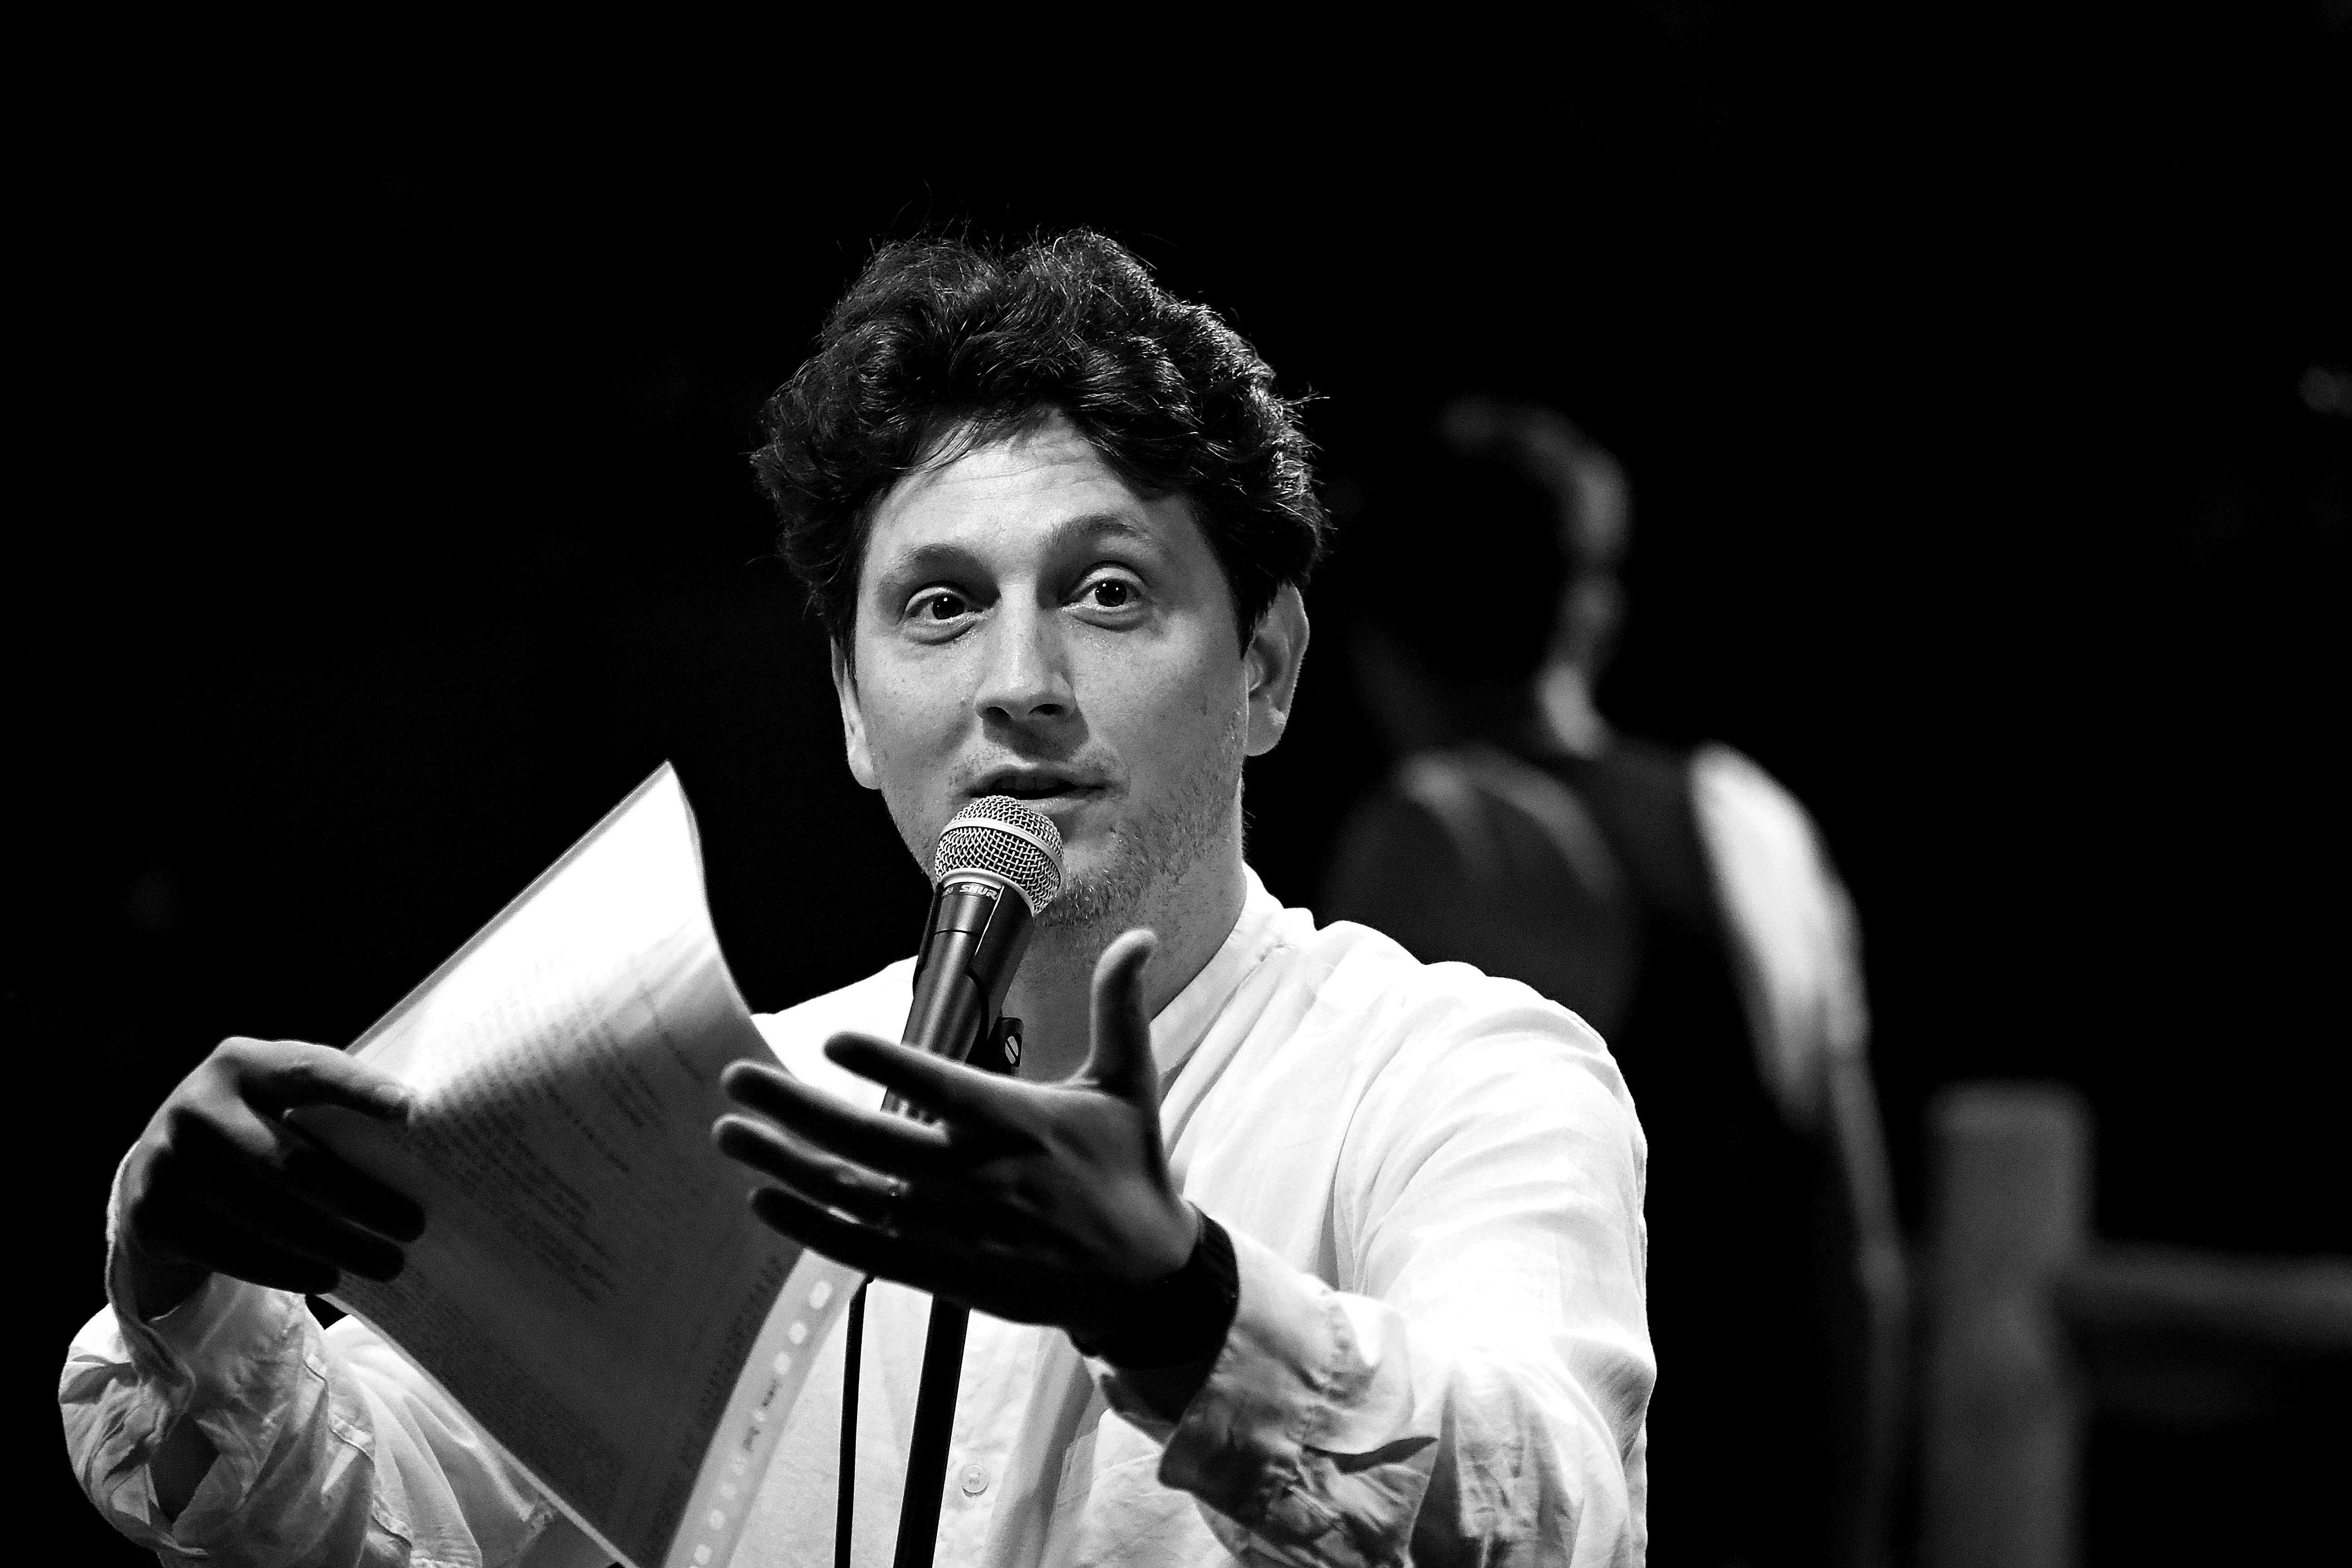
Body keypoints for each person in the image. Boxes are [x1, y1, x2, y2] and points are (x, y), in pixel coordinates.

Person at [61, 235, 1654, 1567]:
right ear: (848, 706)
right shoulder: (726, 1117)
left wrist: (1180, 1303)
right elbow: (353, 1509)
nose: (1019, 682)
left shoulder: (1455, 1073)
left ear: (1267, 669)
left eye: (1107, 591)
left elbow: (1555, 1506)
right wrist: (191, 1287)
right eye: (941, 606)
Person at [1320, 400, 1907, 1568]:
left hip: (1578, 1511)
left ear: (1374, 637)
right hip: (1769, 1497)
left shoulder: (1434, 840)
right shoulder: (1751, 819)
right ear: (1590, 614)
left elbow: (1361, 1259)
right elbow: (1855, 1256)